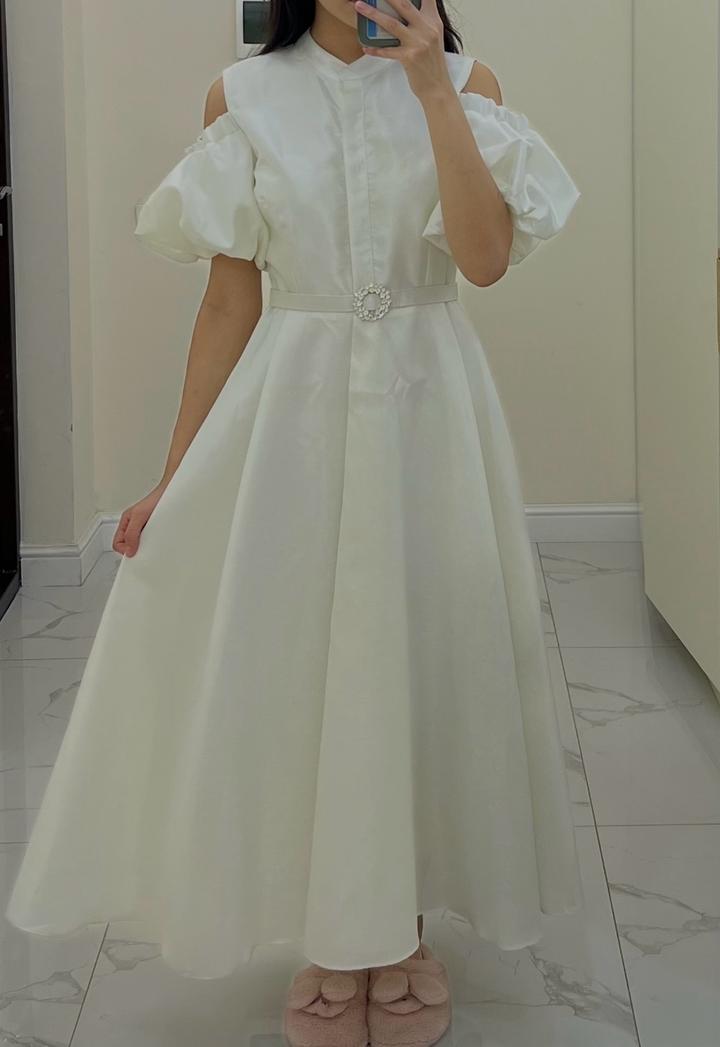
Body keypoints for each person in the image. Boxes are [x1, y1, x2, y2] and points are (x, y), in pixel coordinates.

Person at [5, 1, 584, 1044]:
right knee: (299, 668)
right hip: (293, 417)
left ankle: (403, 929)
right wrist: (173, 477)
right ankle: (332, 934)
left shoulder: (471, 87)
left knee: (421, 660)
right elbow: (229, 302)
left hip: (428, 411)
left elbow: (485, 259)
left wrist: (433, 88)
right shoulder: (244, 95)